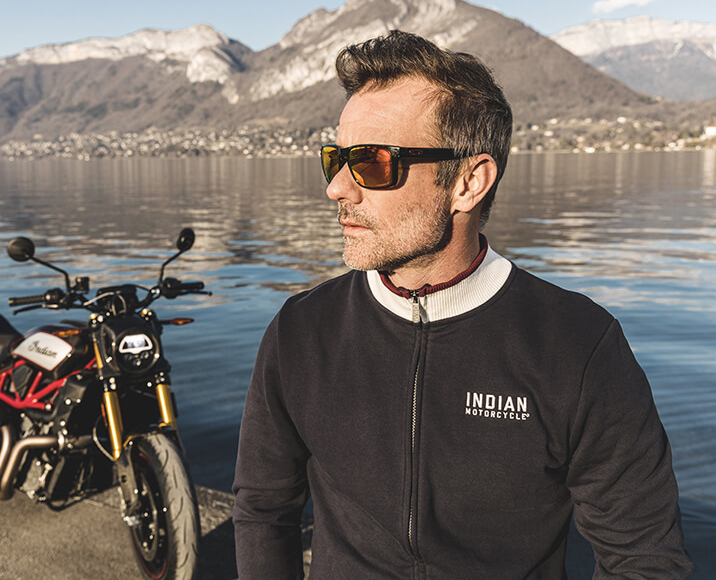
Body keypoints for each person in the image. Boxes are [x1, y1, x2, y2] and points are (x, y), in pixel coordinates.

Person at [232, 30, 692, 579]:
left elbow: (643, 557)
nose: (337, 189)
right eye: (336, 159)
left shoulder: (577, 346)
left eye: (372, 163)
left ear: (469, 183)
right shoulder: (302, 331)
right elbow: (263, 510)